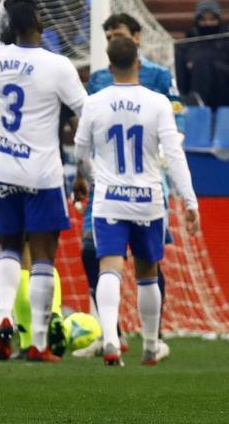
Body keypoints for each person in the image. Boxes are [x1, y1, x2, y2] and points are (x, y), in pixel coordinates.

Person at [74, 36, 199, 366]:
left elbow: (80, 151)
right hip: (148, 199)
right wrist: (190, 202)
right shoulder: (157, 102)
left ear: (110, 65)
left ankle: (112, 340)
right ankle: (149, 344)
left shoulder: (95, 102)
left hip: (110, 199)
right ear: (139, 65)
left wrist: (90, 177)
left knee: (109, 268)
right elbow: (173, 155)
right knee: (147, 271)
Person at [0, 0, 87, 361]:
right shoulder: (57, 65)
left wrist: (3, 5)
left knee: (9, 246)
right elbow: (85, 114)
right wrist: (83, 168)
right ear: (40, 23)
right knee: (42, 257)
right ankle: (38, 340)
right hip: (42, 172)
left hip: (4, 169)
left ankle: (4, 316)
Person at [176, 0, 229, 111]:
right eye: (203, 20)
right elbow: (181, 78)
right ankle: (195, 102)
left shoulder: (226, 41)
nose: (208, 24)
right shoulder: (187, 45)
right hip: (194, 90)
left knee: (202, 61)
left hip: (224, 91)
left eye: (212, 20)